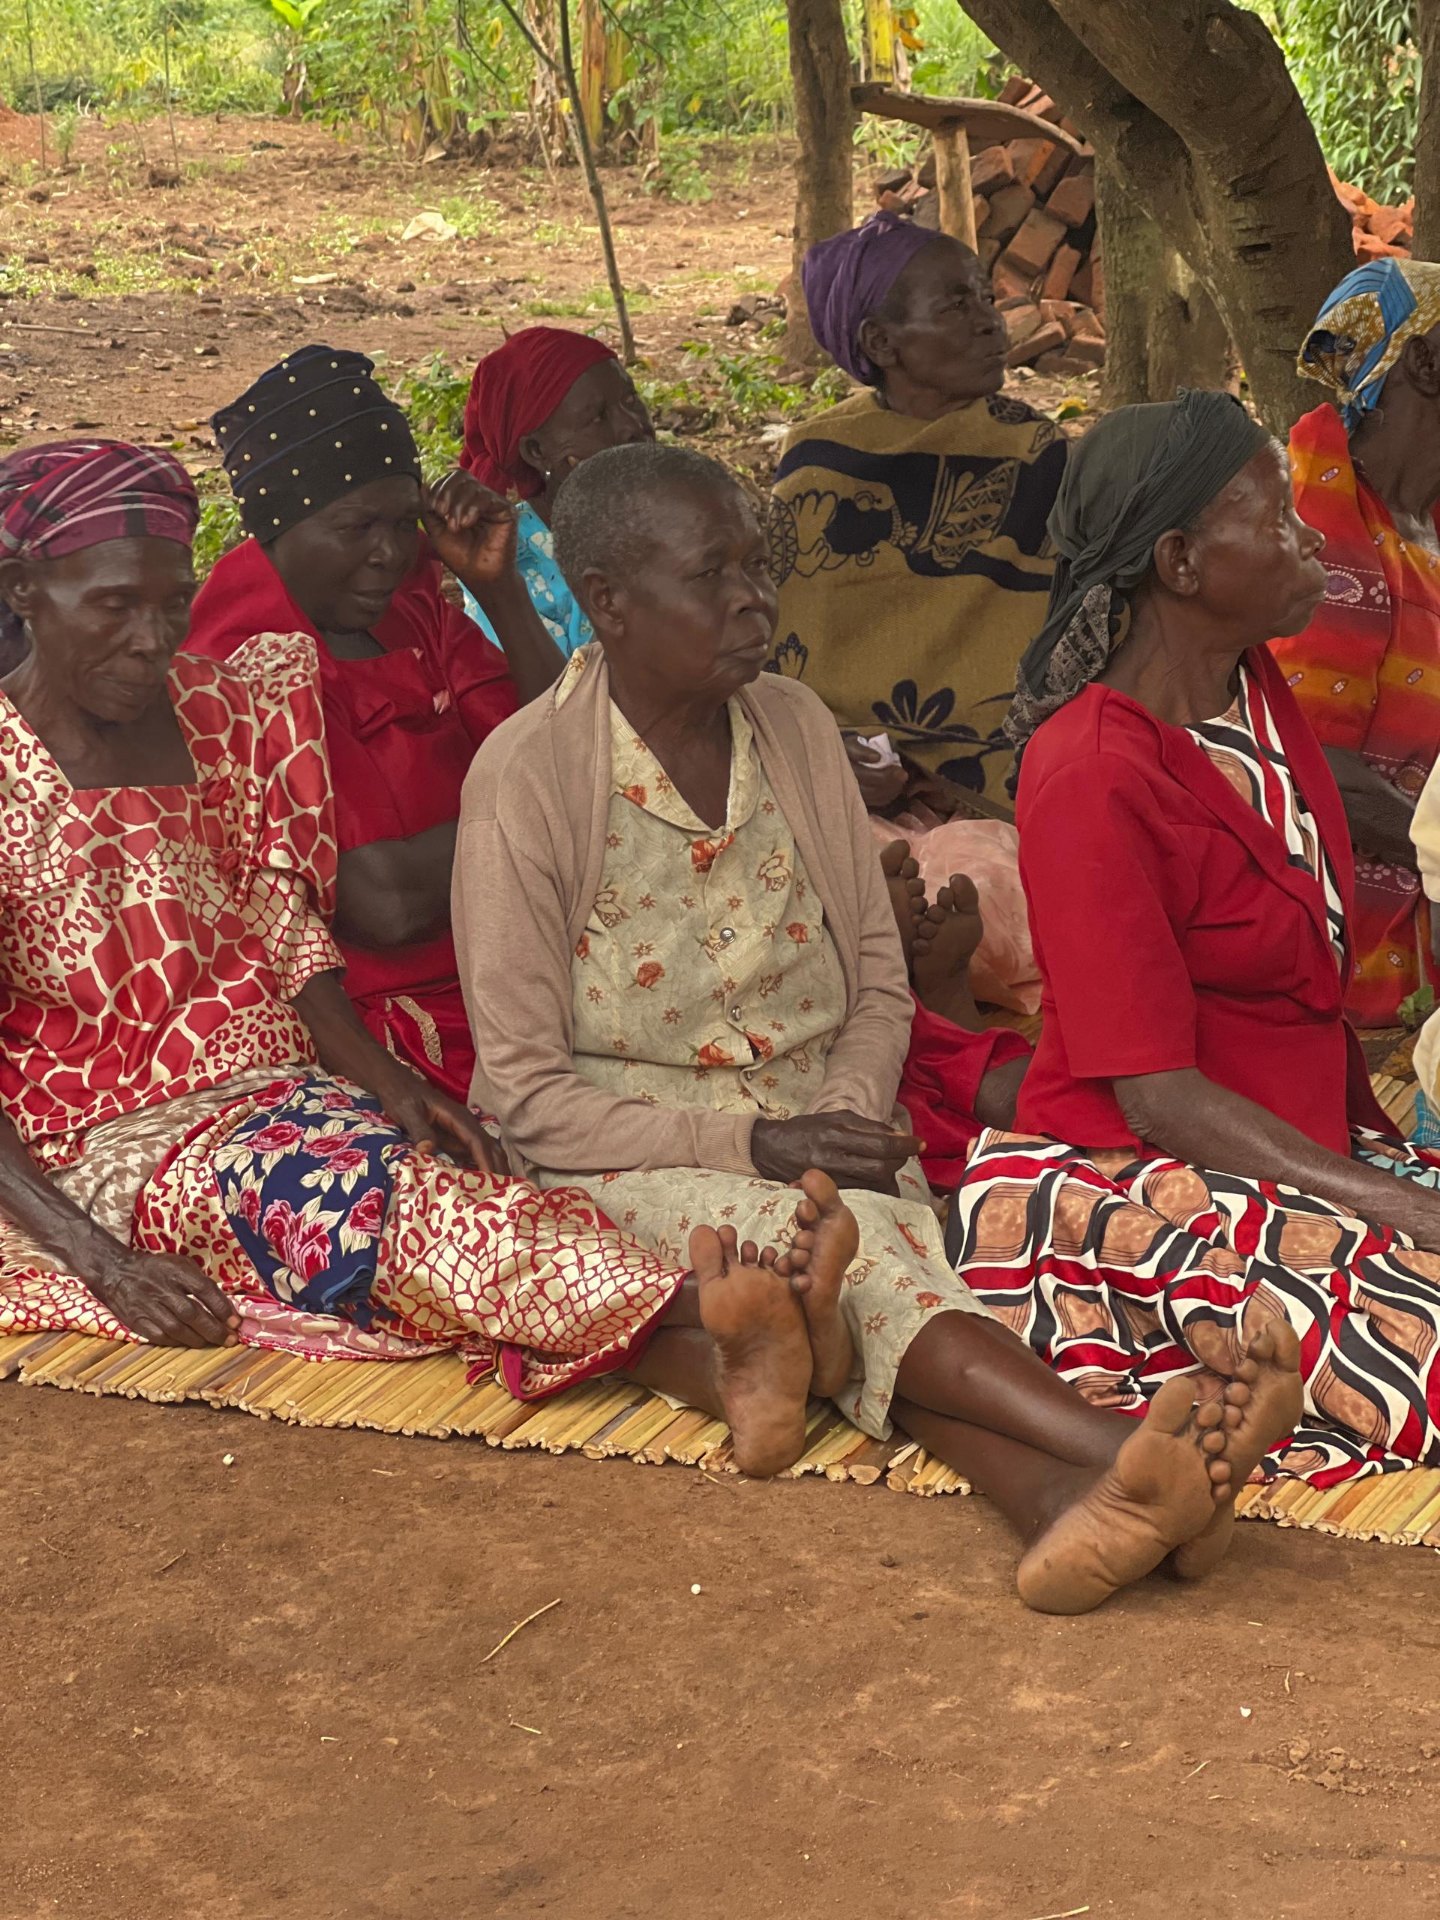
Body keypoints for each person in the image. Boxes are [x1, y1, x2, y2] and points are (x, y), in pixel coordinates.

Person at [453, 440, 1302, 1615]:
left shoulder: (792, 725)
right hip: (636, 1154)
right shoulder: (530, 774)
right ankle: (1110, 1450)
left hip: (830, 1124)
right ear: (606, 602)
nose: (756, 600)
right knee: (864, 1259)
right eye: (714, 577)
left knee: (883, 1264)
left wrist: (843, 1114)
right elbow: (527, 1093)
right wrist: (760, 1150)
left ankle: (1056, 1506)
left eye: (759, 567)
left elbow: (872, 974)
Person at [0, 436, 882, 1478]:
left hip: (279, 1092)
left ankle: (721, 1364)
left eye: (171, 602)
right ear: (22, 588)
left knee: (453, 1189)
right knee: (374, 1209)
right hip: (109, 1139)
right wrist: (102, 1263)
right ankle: (727, 1311)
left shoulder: (219, 710)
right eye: (114, 607)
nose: (152, 639)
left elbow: (287, 939)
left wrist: (395, 1086)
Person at [953, 389, 1440, 1492]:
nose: (1310, 535)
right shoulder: (1089, 773)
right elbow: (1155, 1097)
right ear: (1178, 560)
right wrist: (1400, 1206)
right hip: (1136, 1181)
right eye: (1271, 518)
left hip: (1294, 1150)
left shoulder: (1251, 695)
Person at [186, 345, 562, 1101]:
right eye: (356, 528)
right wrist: (555, 820)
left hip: (512, 967)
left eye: (402, 522)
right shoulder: (243, 660)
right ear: (278, 530)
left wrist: (500, 593)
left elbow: (574, 744)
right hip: (391, 1027)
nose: (388, 553)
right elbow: (384, 904)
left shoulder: (415, 609)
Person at [770, 212, 1064, 1010]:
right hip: (840, 785)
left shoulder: (1040, 454)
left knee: (983, 880)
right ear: (883, 342)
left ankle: (933, 987)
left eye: (985, 297)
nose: (988, 322)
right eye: (955, 306)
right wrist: (838, 762)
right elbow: (777, 652)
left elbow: (1075, 620)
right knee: (815, 879)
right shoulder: (814, 463)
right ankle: (921, 988)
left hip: (993, 789)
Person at [1272, 259, 1440, 1026]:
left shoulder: (1424, 522)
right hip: (1348, 959)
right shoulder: (1317, 516)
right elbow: (1306, 764)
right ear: (1427, 361)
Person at [458, 325, 655, 658]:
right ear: (536, 451)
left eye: (631, 400)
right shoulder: (513, 563)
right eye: (599, 417)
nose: (633, 426)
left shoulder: (674, 517)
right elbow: (546, 703)